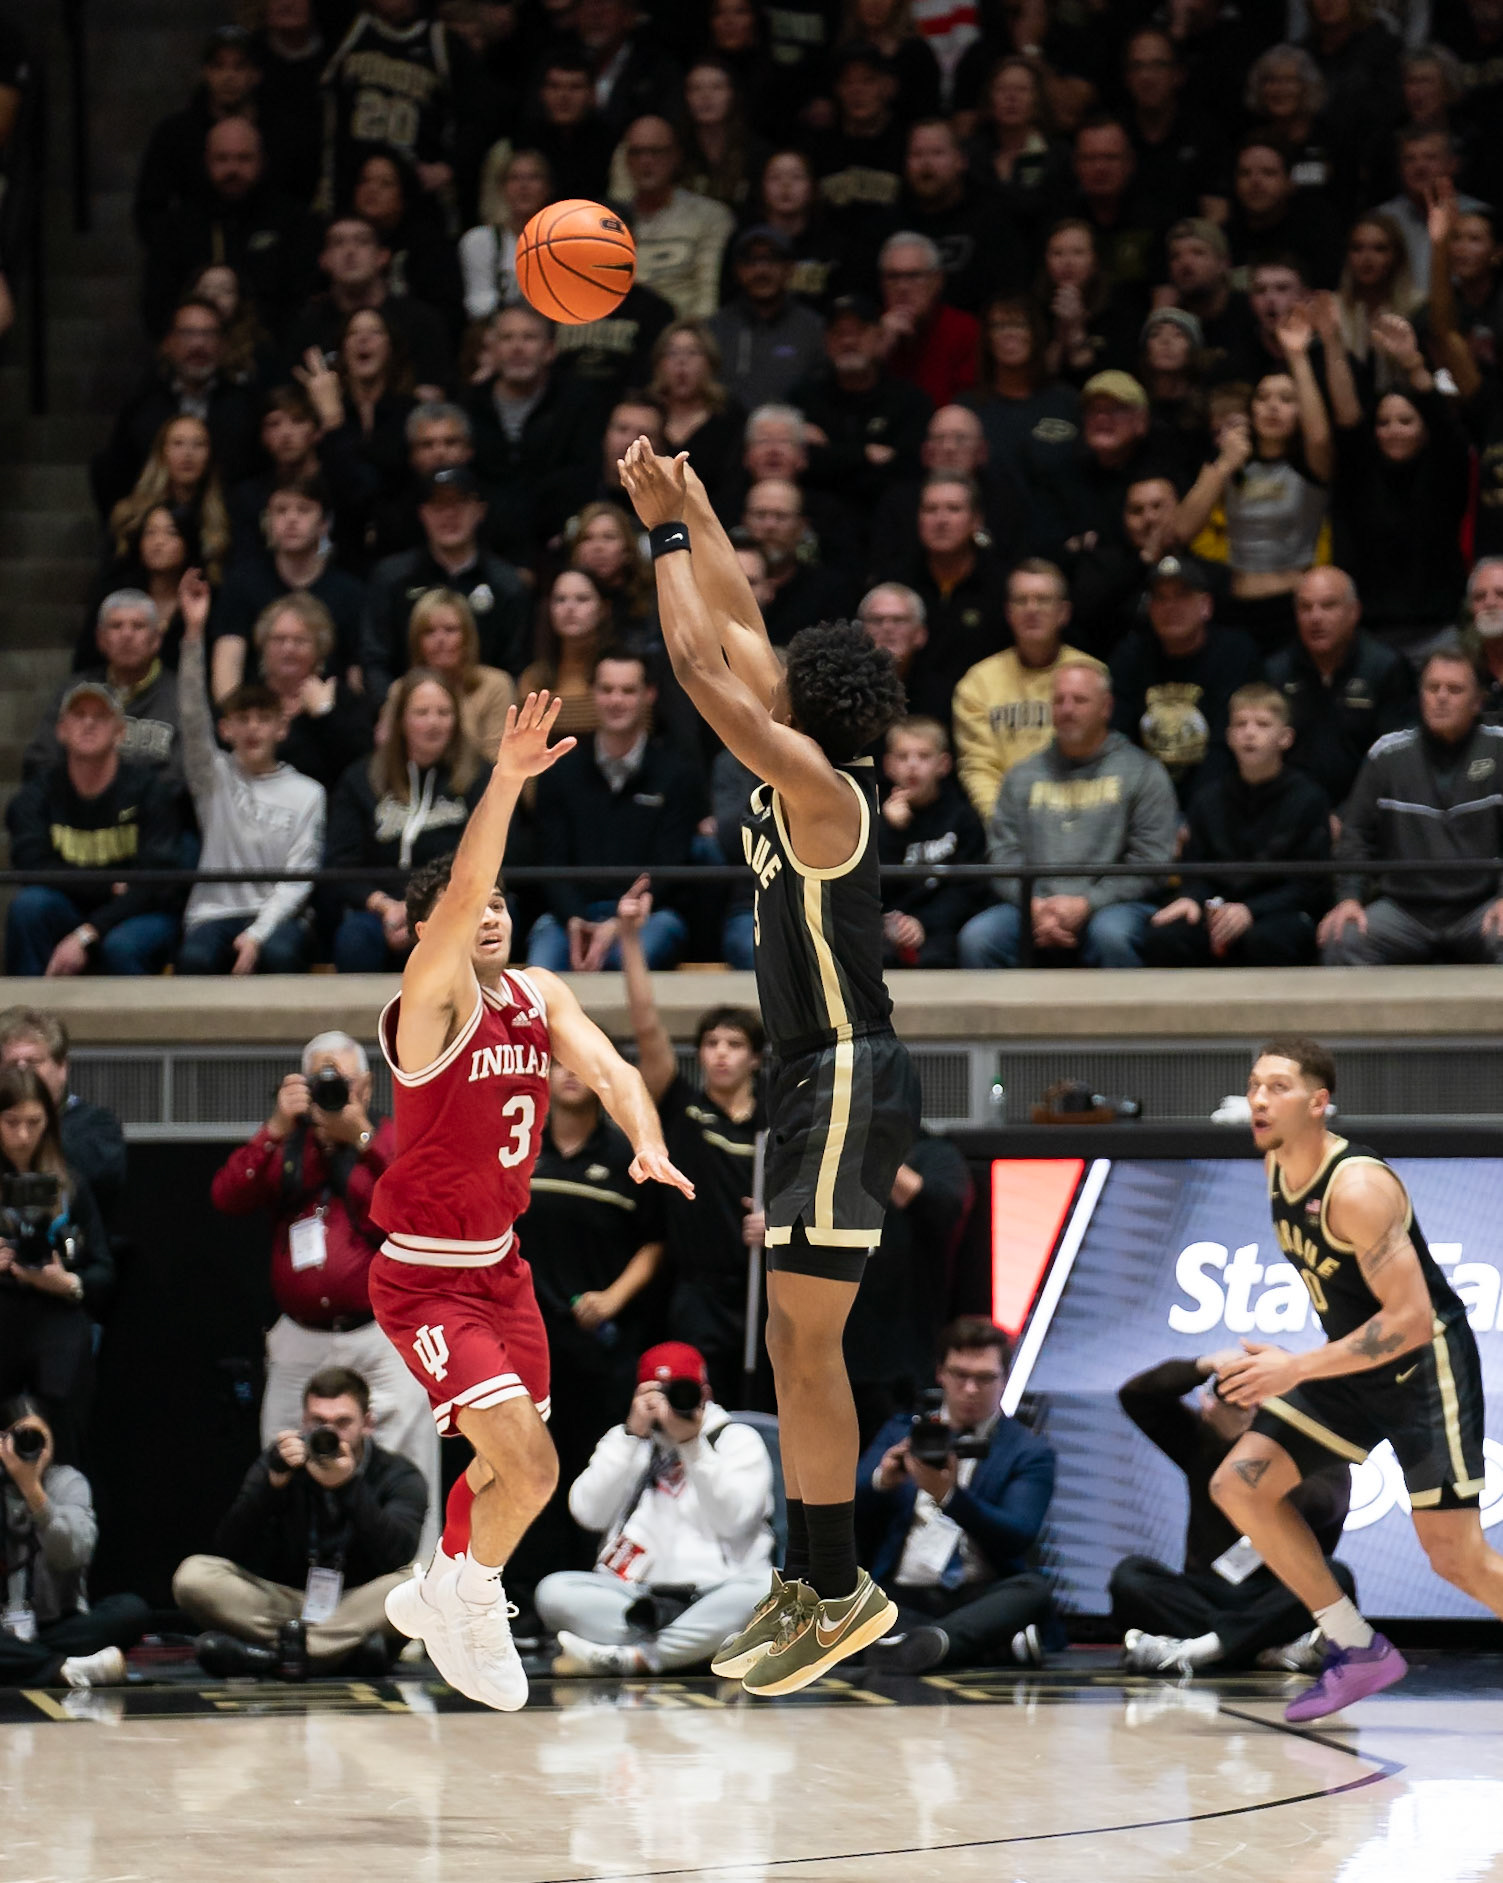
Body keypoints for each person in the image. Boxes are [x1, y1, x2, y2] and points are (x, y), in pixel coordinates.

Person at [618, 438, 922, 1697]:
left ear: (809, 706)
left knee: (812, 1342)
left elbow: (700, 658)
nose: (768, 666)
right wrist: (691, 500)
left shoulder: (816, 786)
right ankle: (814, 1579)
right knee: (796, 1353)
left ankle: (843, 1586)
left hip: (847, 1064)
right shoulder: (800, 757)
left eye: (787, 676)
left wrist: (661, 542)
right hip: (811, 1080)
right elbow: (740, 621)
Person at [367, 695, 693, 1713]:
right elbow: (463, 886)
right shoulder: (431, 997)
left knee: (520, 1474)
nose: (493, 908)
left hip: (502, 1267)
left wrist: (646, 1139)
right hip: (424, 1276)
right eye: (477, 903)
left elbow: (606, 1066)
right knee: (530, 1461)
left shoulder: (541, 994)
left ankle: (446, 1585)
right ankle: (469, 1593)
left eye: (507, 899)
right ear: (434, 931)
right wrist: (506, 776)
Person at [1212, 1039, 1503, 1721]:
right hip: (1351, 1367)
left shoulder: (1357, 1187)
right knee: (1239, 1483)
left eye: (1276, 1086)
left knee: (1455, 1559)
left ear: (1318, 1102)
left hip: (1421, 1371)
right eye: (1254, 1085)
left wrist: (1293, 1366)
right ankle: (1355, 1646)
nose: (1258, 1099)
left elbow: (1407, 1319)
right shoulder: (1277, 1168)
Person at [210, 1034, 441, 1556]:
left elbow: (424, 1196)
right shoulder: (288, 1142)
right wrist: (273, 1128)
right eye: (320, 1081)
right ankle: (287, 1583)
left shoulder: (391, 1135)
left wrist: (358, 1134)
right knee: (285, 1454)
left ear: (365, 1084)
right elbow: (227, 1195)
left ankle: (420, 1594)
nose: (330, 1091)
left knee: (407, 1460)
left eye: (340, 1080)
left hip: (382, 1334)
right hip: (299, 1340)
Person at [510, 1060, 667, 1580]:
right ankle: (525, 1599)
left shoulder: (627, 1157)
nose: (569, 1075)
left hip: (601, 1349)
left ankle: (590, 1589)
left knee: (598, 1470)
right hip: (526, 1347)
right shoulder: (518, 1151)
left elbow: (655, 1241)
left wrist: (613, 1297)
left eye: (580, 1067)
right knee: (526, 1470)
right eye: (558, 1066)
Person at [616, 879, 766, 1410]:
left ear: (755, 1058)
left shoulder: (774, 1122)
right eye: (710, 1044)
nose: (720, 1054)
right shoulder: (681, 1107)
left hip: (759, 1292)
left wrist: (778, 1226)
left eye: (734, 1044)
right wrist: (631, 940)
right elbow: (647, 1027)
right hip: (695, 1294)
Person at [536, 1341, 775, 1675]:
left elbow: (734, 1521)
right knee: (554, 1591)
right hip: (634, 1599)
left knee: (766, 1589)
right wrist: (632, 1436)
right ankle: (697, 1648)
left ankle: (637, 1658)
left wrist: (692, 1447)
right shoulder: (626, 1441)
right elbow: (587, 1513)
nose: (670, 1405)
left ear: (706, 1392)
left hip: (715, 1591)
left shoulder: (736, 1439)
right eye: (656, 1393)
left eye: (681, 1392)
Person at [173, 1365, 427, 1679]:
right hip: (286, 1603)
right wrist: (272, 1485)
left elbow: (398, 1554)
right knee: (193, 1575)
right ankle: (339, 1654)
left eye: (343, 1422)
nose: (330, 1433)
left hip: (357, 1604)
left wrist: (348, 1487)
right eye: (319, 1421)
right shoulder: (281, 1463)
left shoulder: (399, 1474)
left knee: (422, 1585)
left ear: (368, 1423)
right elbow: (230, 1546)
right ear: (304, 1422)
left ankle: (278, 1657)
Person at [1113, 1353, 1352, 1676]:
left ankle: (1202, 1649)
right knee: (1131, 1576)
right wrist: (1203, 1366)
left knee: (1336, 1577)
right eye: (1238, 1397)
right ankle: (1260, 1649)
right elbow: (1137, 1397)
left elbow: (1317, 1506)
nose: (1248, 1407)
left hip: (1278, 1593)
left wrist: (1249, 1441)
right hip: (1206, 1592)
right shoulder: (1203, 1440)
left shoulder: (1319, 1451)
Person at [857, 1319, 1056, 1674]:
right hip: (904, 1592)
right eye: (959, 1374)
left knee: (1033, 1590)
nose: (970, 1389)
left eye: (984, 1378)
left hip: (980, 1593)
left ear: (1004, 1379)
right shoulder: (903, 1431)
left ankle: (927, 1643)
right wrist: (882, 1481)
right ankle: (972, 1646)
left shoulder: (1028, 1450)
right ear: (940, 1374)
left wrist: (949, 1497)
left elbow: (1017, 1535)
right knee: (852, 1595)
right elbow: (846, 1510)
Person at [957, 661, 1179, 970]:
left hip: (1114, 906)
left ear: (1106, 707)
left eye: (1080, 700)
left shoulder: (1143, 772)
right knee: (979, 937)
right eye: (1059, 700)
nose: (1067, 709)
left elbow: (1152, 859)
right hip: (1032, 905)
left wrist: (1087, 904)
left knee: (1112, 934)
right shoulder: (1021, 775)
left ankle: (1124, 1021)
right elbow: (1003, 855)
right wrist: (1034, 906)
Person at [173, 571, 325, 976]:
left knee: (280, 954)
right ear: (227, 730)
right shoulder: (213, 778)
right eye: (242, 719)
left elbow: (298, 880)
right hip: (213, 914)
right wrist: (193, 633)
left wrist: (258, 934)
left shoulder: (308, 792)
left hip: (278, 916)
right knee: (195, 958)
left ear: (282, 728)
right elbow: (191, 716)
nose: (253, 728)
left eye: (263, 719)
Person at [1318, 647, 1503, 965]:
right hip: (1404, 909)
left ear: (1478, 701)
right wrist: (1349, 897)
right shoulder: (1387, 755)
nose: (1441, 697)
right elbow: (1356, 834)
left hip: (1481, 905)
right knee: (1342, 940)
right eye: (1432, 688)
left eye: (1455, 689)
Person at [525, 653, 704, 973]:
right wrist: (575, 920)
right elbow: (550, 861)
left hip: (648, 914)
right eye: (607, 690)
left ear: (649, 694)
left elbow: (670, 866)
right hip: (569, 916)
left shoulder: (677, 774)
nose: (616, 700)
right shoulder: (558, 772)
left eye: (628, 690)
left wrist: (620, 923)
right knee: (540, 970)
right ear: (592, 693)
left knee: (631, 961)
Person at [1144, 684, 1332, 968]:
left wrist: (1251, 911)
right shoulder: (1208, 799)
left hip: (1282, 911)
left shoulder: (1309, 798)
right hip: (1216, 908)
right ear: (1229, 737)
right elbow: (1194, 869)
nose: (1250, 733)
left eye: (1263, 724)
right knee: (1164, 937)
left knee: (1267, 940)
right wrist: (1192, 899)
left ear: (1285, 738)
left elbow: (1311, 884)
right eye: (1240, 724)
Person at [4, 684, 183, 979]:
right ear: (61, 730)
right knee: (29, 907)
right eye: (79, 715)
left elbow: (157, 882)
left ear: (120, 732)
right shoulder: (36, 795)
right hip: (68, 907)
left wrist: (89, 932)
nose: (88, 723)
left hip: (136, 912)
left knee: (122, 946)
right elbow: (32, 867)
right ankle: (25, 1018)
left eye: (100, 716)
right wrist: (107, 885)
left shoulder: (150, 791)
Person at [323, 668, 489, 972]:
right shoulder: (361, 779)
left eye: (443, 713)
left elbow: (491, 857)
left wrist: (434, 910)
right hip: (381, 909)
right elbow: (339, 865)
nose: (433, 723)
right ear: (400, 721)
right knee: (354, 939)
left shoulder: (480, 777)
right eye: (422, 713)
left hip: (455, 907)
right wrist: (385, 906)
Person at [0, 1069, 111, 1465]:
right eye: (11, 1123)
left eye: (34, 1123)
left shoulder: (69, 1183)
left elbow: (103, 1269)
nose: (23, 1136)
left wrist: (68, 1283)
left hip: (58, 1338)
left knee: (64, 1451)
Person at [0, 1397, 148, 1690]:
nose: (29, 1447)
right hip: (3, 1631)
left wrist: (34, 1492)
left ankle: (27, 1663)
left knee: (132, 1612)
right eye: (19, 1437)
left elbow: (72, 1554)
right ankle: (66, 1667)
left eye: (37, 1438)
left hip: (58, 1627)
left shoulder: (68, 1482)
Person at [360, 466, 531, 704]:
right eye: (438, 506)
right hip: (409, 716)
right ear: (423, 513)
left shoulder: (506, 584)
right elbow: (375, 660)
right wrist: (395, 712)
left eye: (459, 504)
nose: (449, 515)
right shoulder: (391, 578)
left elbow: (515, 666)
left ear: (480, 511)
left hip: (484, 716)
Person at [1109, 555, 1263, 809]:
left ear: (1206, 606)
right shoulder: (1131, 655)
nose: (1170, 606)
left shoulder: (1234, 653)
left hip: (1219, 804)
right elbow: (1118, 739)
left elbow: (1225, 745)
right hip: (1145, 804)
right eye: (1160, 598)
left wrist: (1198, 817)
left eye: (1182, 595)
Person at [1264, 567, 1414, 813]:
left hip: (1369, 813)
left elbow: (1392, 759)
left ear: (1354, 612)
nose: (1316, 617)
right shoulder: (1276, 672)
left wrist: (1347, 816)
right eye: (1306, 607)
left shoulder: (1385, 668)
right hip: (1290, 814)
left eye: (1328, 606)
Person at [952, 560, 1089, 819]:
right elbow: (979, 769)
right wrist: (1004, 825)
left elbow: (1099, 761)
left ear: (1064, 612)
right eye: (1021, 600)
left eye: (1043, 600)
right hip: (1005, 827)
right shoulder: (978, 683)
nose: (1032, 609)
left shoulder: (1091, 675)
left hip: (1079, 821)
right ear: (1008, 612)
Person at [26, 591, 182, 784]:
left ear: (156, 639)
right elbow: (41, 760)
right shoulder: (75, 690)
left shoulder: (182, 694)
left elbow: (183, 776)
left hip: (156, 809)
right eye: (116, 626)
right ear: (101, 639)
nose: (127, 635)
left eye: (138, 626)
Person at [0, 1010, 126, 1230]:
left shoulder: (97, 1126)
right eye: (12, 1065)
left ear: (62, 1068)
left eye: (32, 1062)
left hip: (75, 1253)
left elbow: (100, 1180)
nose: (22, 1073)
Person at [877, 718, 986, 968]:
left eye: (924, 756)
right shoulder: (874, 819)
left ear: (944, 764)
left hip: (942, 926)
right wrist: (891, 831)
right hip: (888, 926)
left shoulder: (962, 818)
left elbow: (970, 889)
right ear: (889, 765)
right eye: (903, 757)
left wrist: (924, 923)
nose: (912, 766)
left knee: (940, 957)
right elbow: (873, 885)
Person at [616, 115, 735, 321]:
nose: (646, 161)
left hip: (682, 336)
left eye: (656, 152)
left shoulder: (710, 216)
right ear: (626, 159)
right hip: (622, 339)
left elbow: (708, 297)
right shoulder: (609, 221)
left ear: (675, 156)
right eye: (637, 152)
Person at [708, 226, 828, 415]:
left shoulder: (814, 328)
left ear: (790, 268)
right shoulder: (714, 329)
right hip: (725, 436)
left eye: (772, 259)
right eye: (751, 261)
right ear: (737, 270)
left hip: (793, 435)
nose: (761, 270)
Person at [876, 230, 979, 408]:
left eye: (914, 276)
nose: (902, 287)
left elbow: (969, 407)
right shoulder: (868, 329)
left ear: (937, 280)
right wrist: (878, 353)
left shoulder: (965, 330)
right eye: (893, 277)